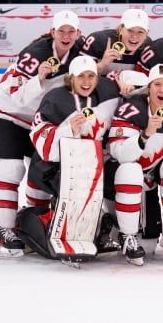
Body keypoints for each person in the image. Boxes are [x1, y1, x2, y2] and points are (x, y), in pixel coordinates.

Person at [0, 11, 82, 258]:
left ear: (78, 34)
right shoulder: (35, 55)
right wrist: (39, 77)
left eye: (71, 31)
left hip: (38, 122)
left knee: (43, 173)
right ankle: (2, 231)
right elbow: (16, 97)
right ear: (53, 32)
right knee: (11, 170)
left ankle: (31, 226)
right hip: (5, 115)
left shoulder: (81, 54)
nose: (66, 35)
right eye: (61, 30)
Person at [22, 56, 123, 261]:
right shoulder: (56, 99)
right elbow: (42, 143)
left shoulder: (108, 91)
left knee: (114, 180)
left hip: (93, 163)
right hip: (54, 164)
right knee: (64, 186)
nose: (86, 82)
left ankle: (98, 231)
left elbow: (135, 82)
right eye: (81, 77)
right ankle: (42, 228)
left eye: (91, 76)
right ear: (71, 78)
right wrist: (69, 130)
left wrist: (126, 83)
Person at [107, 64, 163, 265]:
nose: (162, 90)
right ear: (148, 87)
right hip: (119, 175)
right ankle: (127, 235)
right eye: (157, 85)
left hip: (149, 177)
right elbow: (120, 154)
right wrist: (145, 135)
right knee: (131, 169)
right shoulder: (131, 109)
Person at [77, 8, 153, 74]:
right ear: (120, 29)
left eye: (140, 32)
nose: (135, 36)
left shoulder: (149, 47)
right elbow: (79, 75)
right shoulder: (98, 40)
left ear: (147, 33)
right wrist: (102, 65)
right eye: (130, 30)